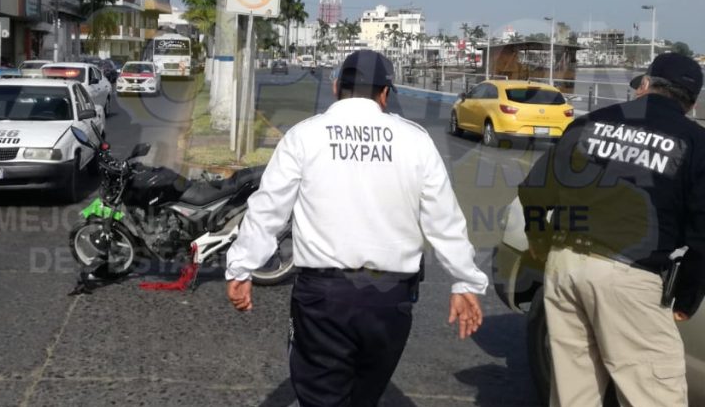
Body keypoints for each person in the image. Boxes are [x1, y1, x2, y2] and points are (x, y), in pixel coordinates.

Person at [226, 49, 487, 406]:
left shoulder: (305, 136)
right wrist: (465, 280)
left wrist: (242, 267)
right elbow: (445, 220)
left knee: (322, 398)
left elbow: (268, 209)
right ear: (385, 94)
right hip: (390, 299)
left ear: (336, 87)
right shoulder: (415, 140)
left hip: (323, 298)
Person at [518, 52, 705, 407]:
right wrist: (688, 296)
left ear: (645, 86)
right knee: (654, 394)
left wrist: (540, 241)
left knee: (574, 394)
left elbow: (533, 191)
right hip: (630, 278)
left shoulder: (590, 123)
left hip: (565, 266)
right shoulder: (695, 142)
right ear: (691, 103)